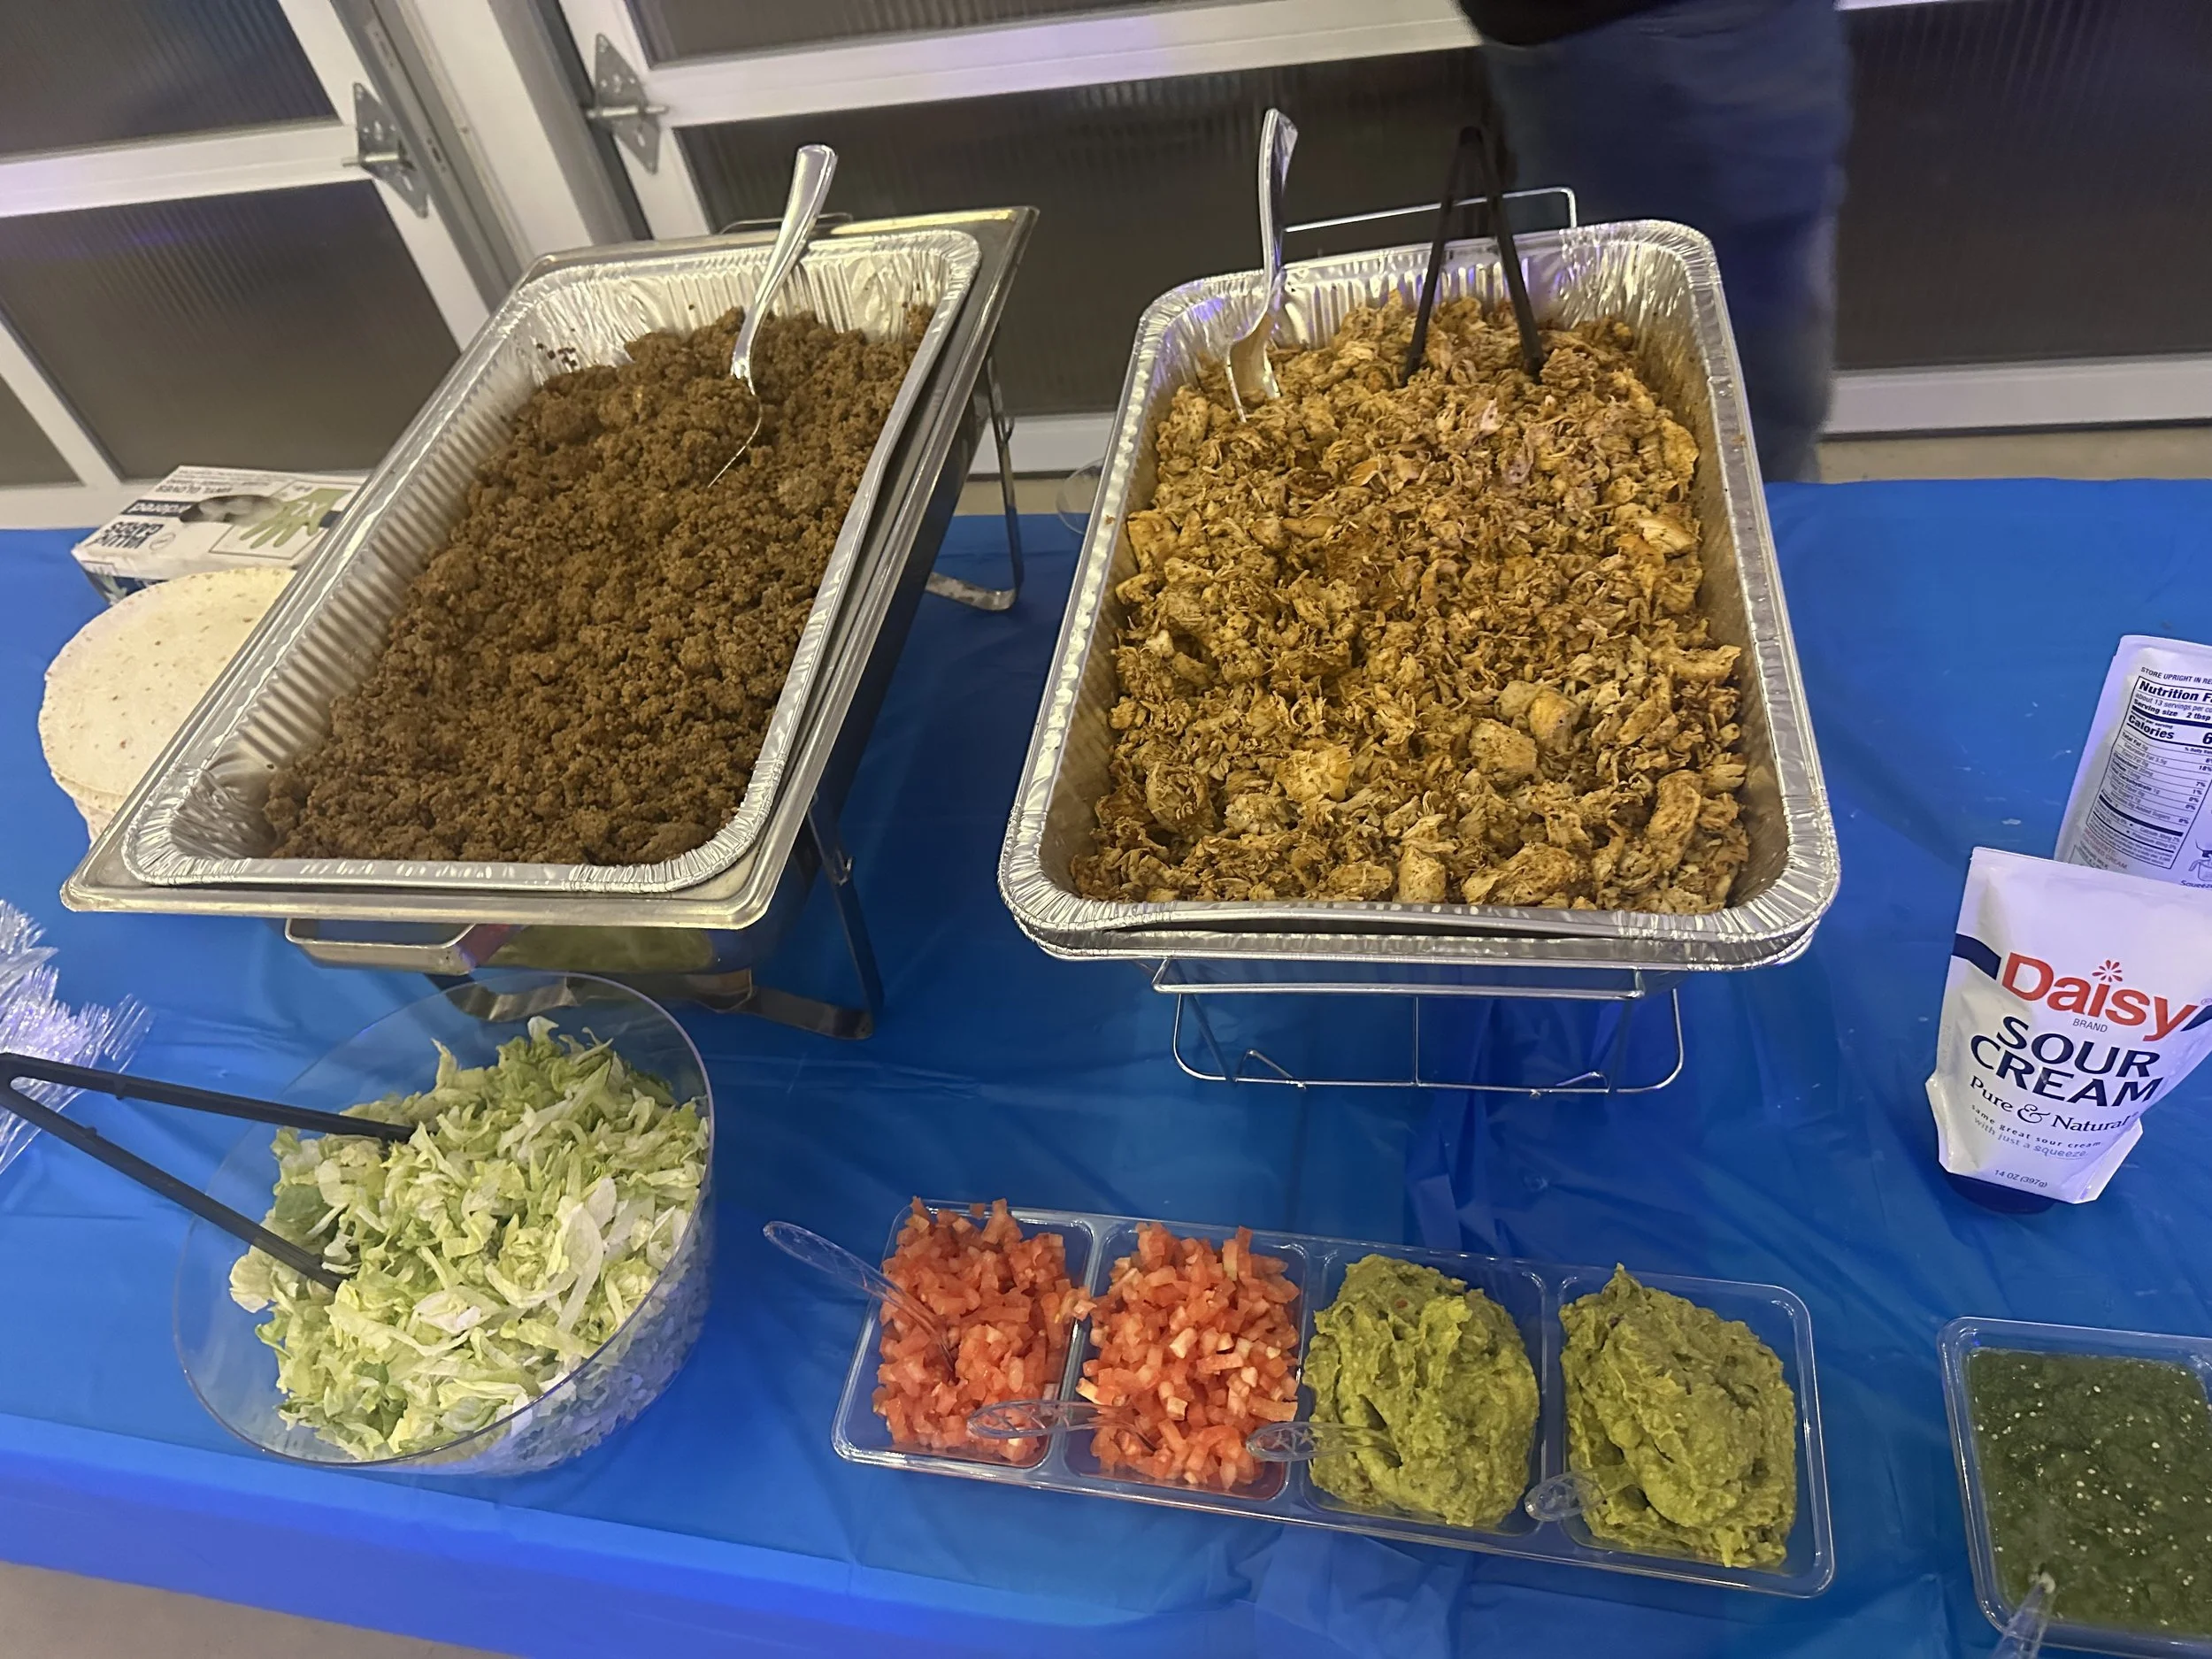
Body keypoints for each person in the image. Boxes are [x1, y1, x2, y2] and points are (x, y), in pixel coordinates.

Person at [1455, 0, 1851, 481]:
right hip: (1673, 43)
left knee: (1590, 343)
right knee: (1743, 414)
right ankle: (1768, 512)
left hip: (1605, 45)